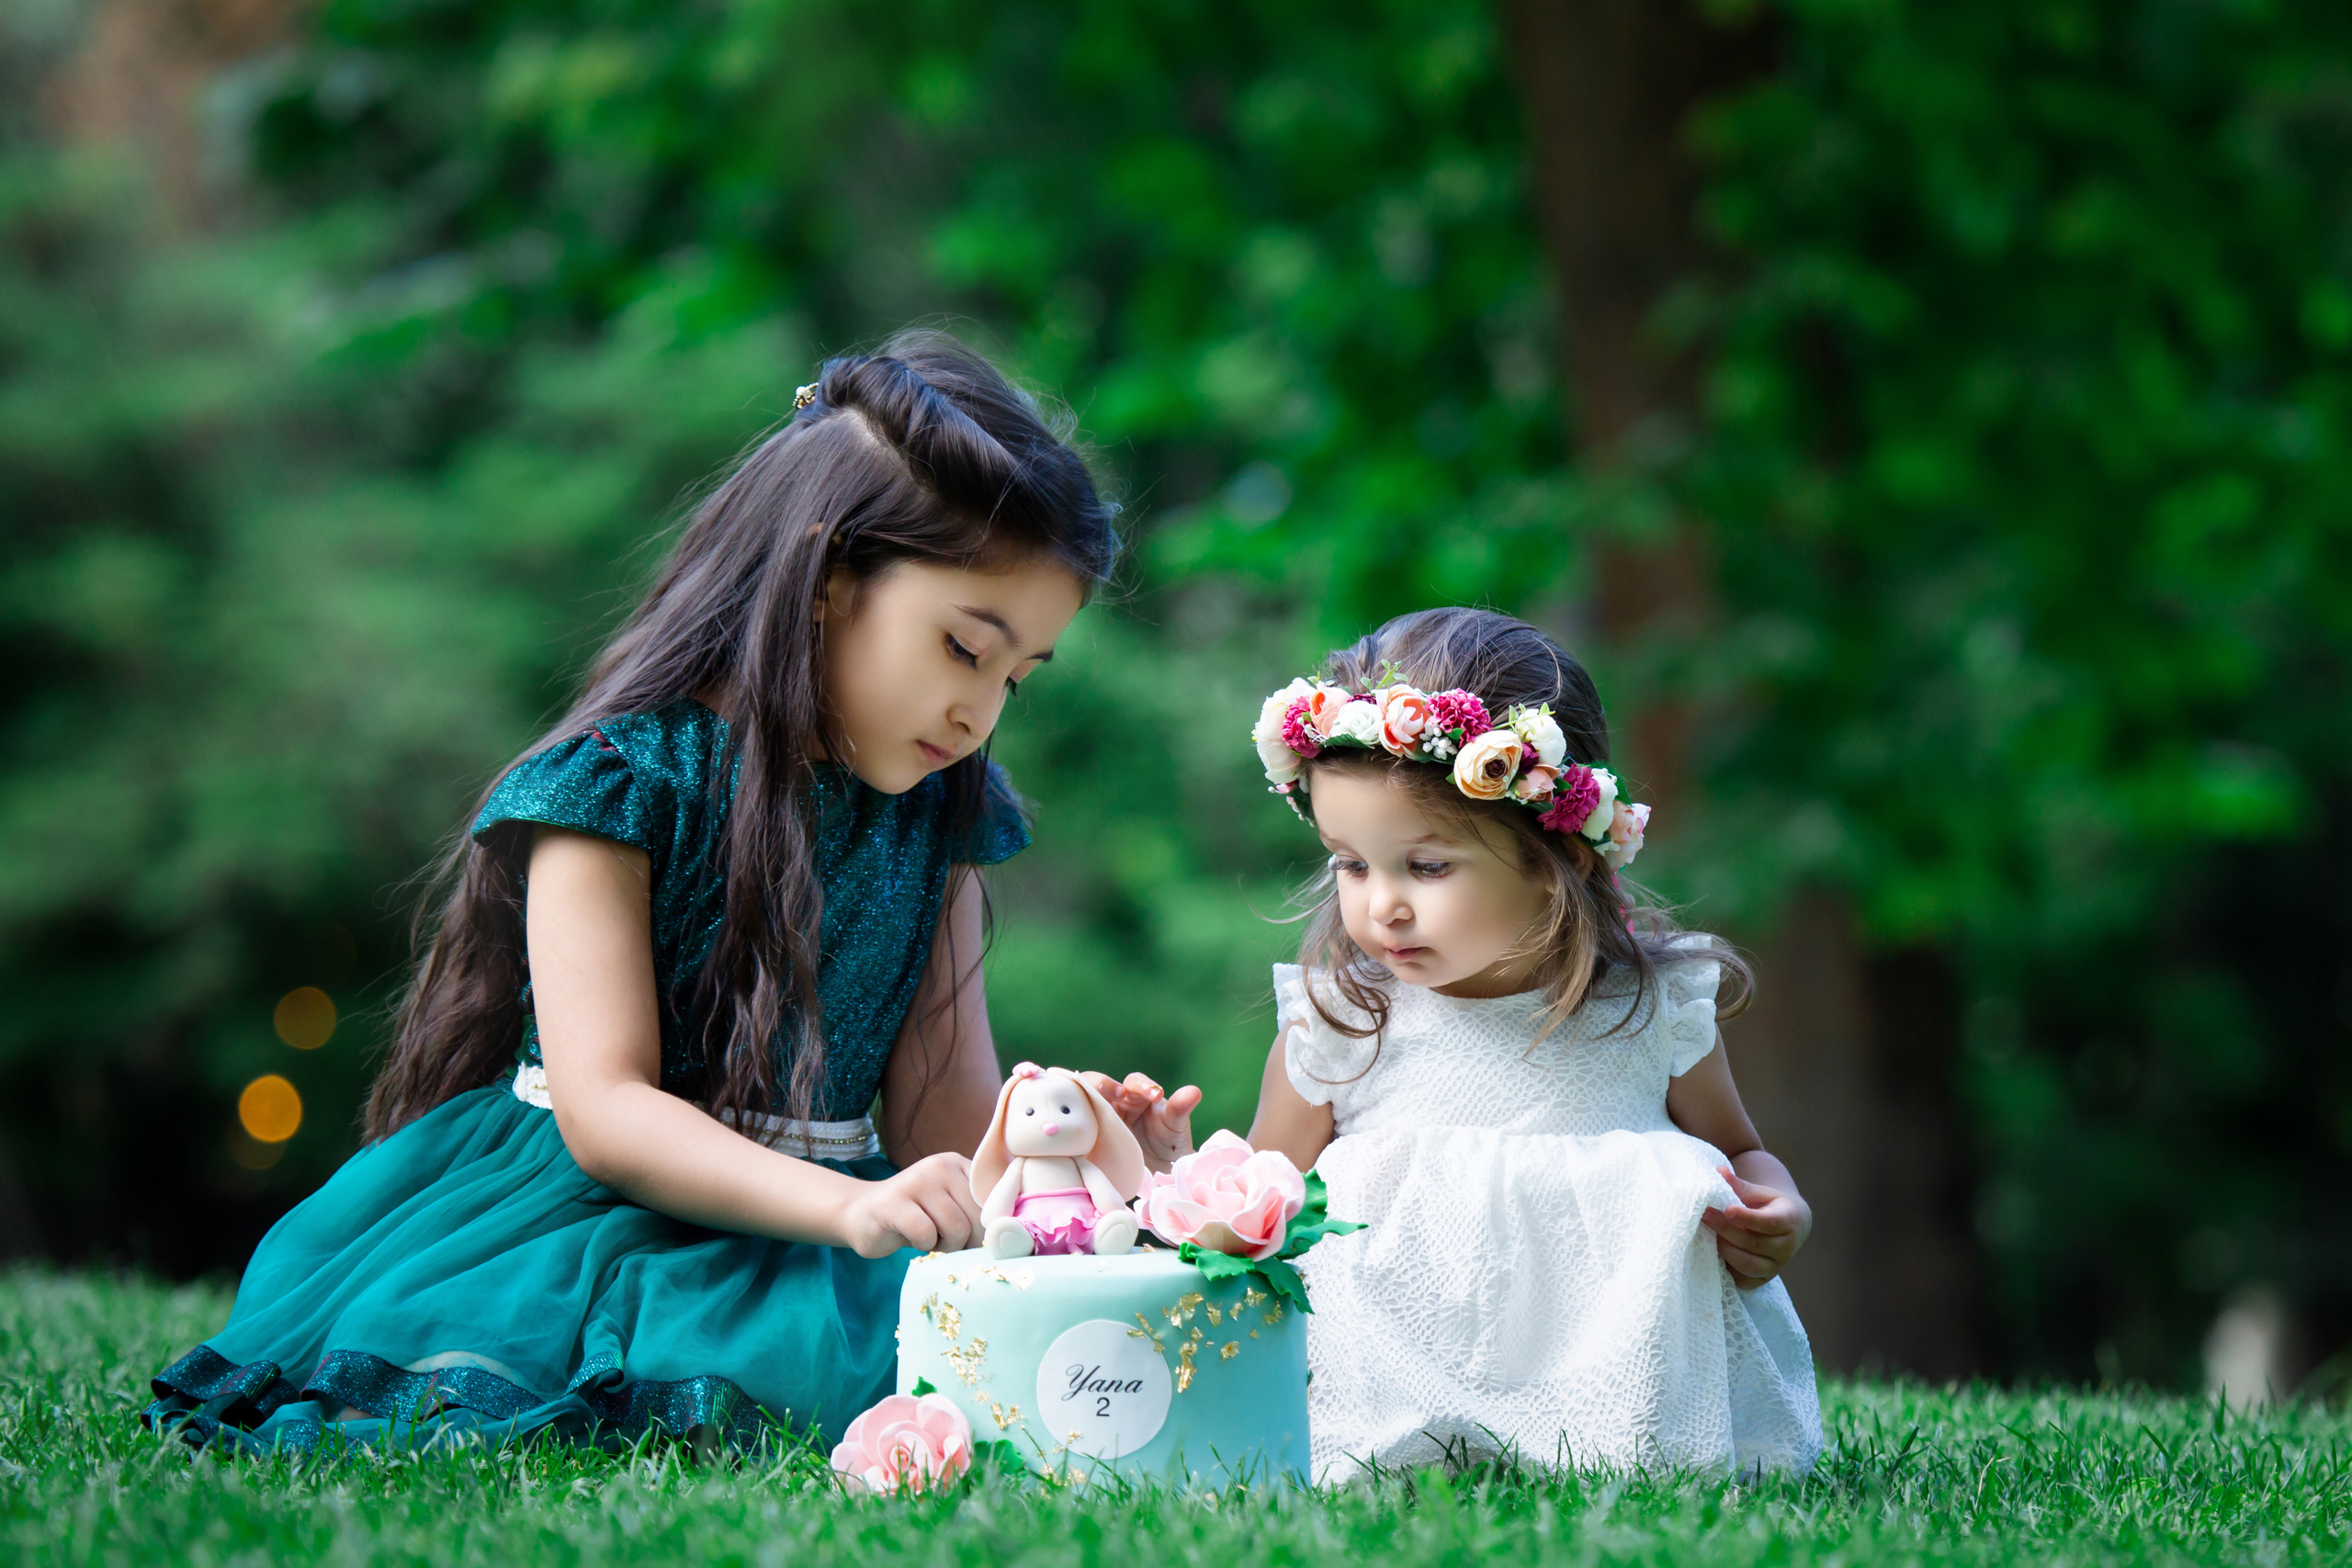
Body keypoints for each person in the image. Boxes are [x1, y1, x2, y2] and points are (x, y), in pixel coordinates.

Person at [145, 333, 1118, 1454]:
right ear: (827, 578)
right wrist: (846, 1211)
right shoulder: (619, 784)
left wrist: (1070, 1155)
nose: (980, 714)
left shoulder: (944, 813)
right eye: (962, 648)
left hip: (827, 1233)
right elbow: (607, 1113)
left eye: (1016, 679)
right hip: (588, 1220)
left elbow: (946, 1113)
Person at [1108, 605, 1822, 1480]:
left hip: (1625, 1392)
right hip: (1386, 1389)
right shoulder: (1341, 1022)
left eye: (1428, 865)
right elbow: (1263, 1210)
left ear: (1562, 853)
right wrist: (1175, 1183)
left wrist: (1778, 1207)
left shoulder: (1650, 1006)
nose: (1382, 906)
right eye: (1351, 863)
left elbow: (1741, 1152)